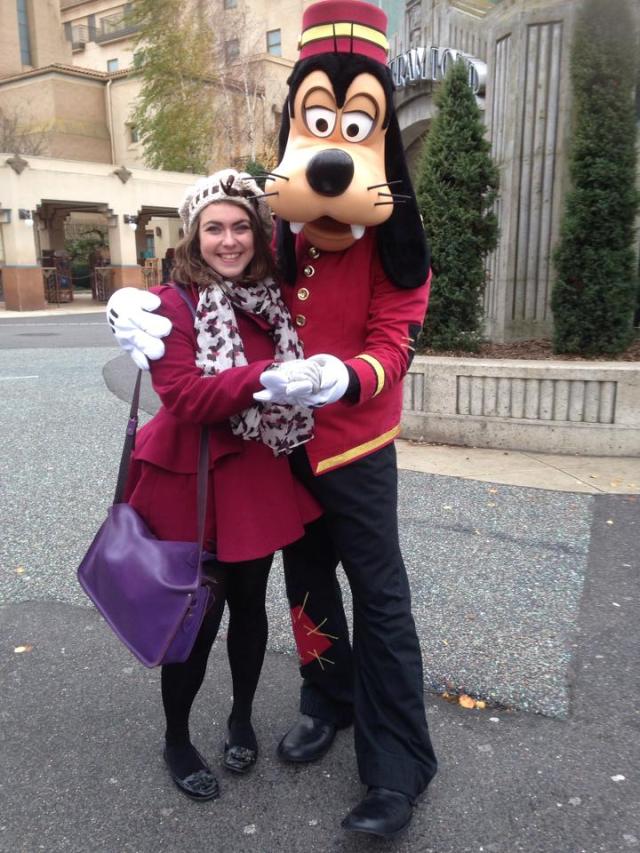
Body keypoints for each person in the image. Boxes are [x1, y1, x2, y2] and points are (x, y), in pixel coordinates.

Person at [108, 0, 438, 838]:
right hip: (279, 448)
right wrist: (137, 302)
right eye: (317, 118)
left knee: (383, 596)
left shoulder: (395, 234)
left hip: (355, 444)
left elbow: (396, 340)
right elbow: (215, 276)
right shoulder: (277, 223)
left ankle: (397, 765)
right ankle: (326, 695)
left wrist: (344, 373)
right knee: (306, 584)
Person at [117, 168, 322, 802]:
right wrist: (267, 375)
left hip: (255, 475)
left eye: (240, 227)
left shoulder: (273, 299)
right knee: (194, 619)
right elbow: (184, 395)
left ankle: (240, 718)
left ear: (259, 236)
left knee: (251, 608)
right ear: (193, 235)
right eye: (214, 228)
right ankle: (177, 737)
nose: (228, 240)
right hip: (192, 479)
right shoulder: (169, 303)